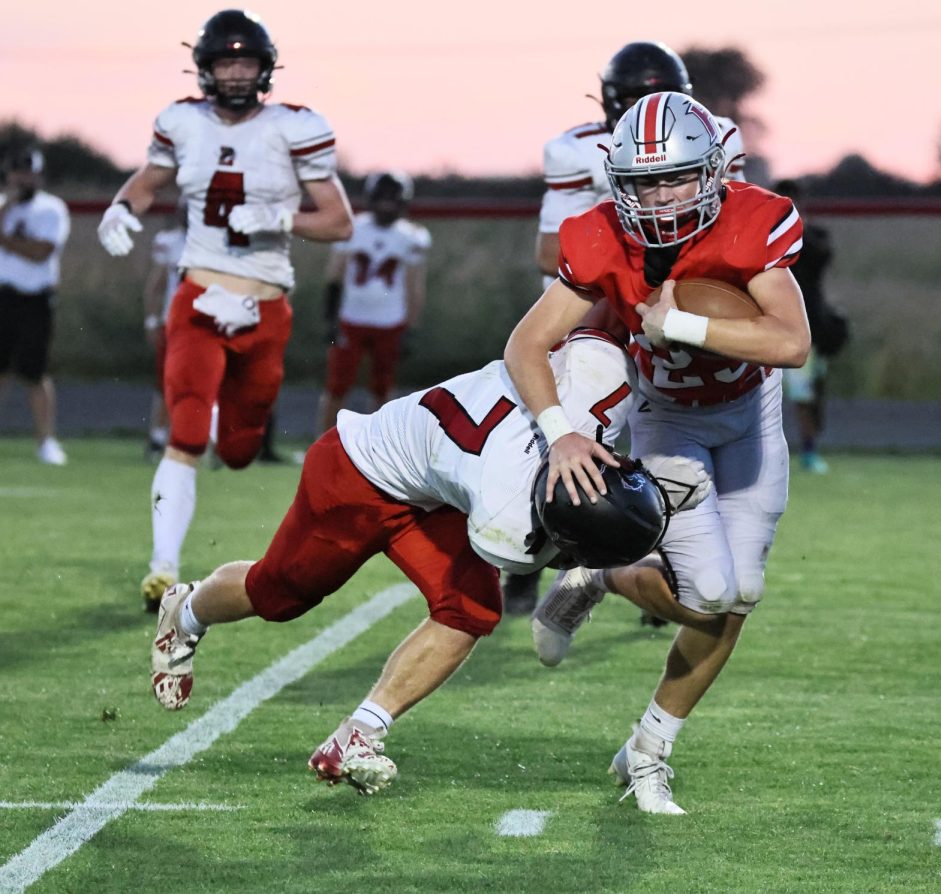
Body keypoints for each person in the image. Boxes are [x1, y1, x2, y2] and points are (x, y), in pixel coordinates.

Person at [149, 329, 699, 796]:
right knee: (279, 594)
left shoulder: (601, 378)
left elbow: (588, 335)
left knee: (470, 609)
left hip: (438, 490)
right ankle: (188, 610)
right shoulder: (508, 513)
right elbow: (553, 551)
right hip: (358, 473)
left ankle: (357, 734)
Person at [504, 92, 810, 815]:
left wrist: (683, 324)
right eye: (644, 183)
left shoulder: (752, 221)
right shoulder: (599, 235)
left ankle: (649, 747)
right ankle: (601, 578)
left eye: (675, 178)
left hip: (750, 411)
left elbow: (791, 344)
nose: (661, 196)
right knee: (709, 595)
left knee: (740, 595)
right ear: (618, 180)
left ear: (712, 171)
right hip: (668, 418)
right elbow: (526, 342)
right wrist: (560, 431)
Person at [97, 10, 353, 612]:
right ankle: (162, 568)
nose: (235, 75)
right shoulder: (181, 121)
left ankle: (221, 429)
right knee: (186, 431)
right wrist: (121, 207)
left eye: (245, 63)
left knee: (238, 449)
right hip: (200, 297)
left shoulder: (295, 128)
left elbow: (339, 221)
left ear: (265, 70)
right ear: (205, 69)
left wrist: (278, 217)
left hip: (266, 309)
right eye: (224, 63)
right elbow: (148, 178)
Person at [503, 40, 747, 616]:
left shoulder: (717, 135)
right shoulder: (574, 150)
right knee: (565, 435)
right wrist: (618, 256)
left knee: (664, 442)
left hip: (669, 304)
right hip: (594, 307)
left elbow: (729, 232)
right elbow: (548, 252)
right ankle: (530, 555)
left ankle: (650, 556)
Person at [316, 171, 430, 435]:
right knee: (336, 386)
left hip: (390, 322)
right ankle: (322, 444)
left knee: (382, 388)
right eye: (382, 198)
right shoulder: (353, 227)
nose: (386, 205)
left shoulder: (412, 236)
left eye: (392, 199)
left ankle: (377, 448)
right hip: (351, 319)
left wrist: (410, 328)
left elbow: (414, 287)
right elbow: (335, 275)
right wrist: (330, 319)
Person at [0, 146, 71, 466]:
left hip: (34, 297)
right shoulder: (4, 207)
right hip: (3, 295)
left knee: (35, 371)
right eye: (17, 172)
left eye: (28, 172)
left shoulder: (50, 209)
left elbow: (40, 252)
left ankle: (46, 441)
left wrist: (5, 239)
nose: (22, 178)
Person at [774, 179, 849, 474]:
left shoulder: (812, 236)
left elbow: (822, 256)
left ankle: (808, 451)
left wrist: (795, 227)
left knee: (807, 395)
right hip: (767, 326)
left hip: (804, 329)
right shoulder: (761, 237)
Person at [142, 205, 187, 461]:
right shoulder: (169, 242)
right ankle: (158, 436)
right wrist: (151, 320)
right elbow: (155, 286)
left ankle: (201, 438)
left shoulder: (219, 243)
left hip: (210, 323)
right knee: (167, 382)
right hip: (175, 322)